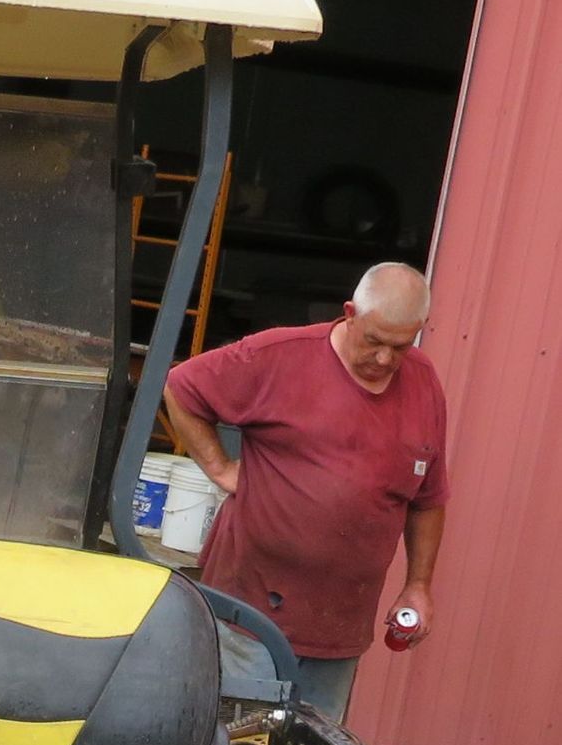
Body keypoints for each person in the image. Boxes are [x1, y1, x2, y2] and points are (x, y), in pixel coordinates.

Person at [162, 262, 449, 721]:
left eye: (400, 346)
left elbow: (429, 499)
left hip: (340, 626)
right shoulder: (280, 356)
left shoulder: (423, 383)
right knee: (236, 744)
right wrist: (219, 467)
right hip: (251, 613)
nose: (383, 359)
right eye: (373, 341)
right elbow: (182, 387)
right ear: (350, 314)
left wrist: (418, 585)